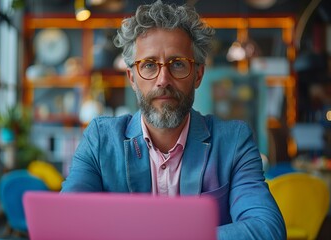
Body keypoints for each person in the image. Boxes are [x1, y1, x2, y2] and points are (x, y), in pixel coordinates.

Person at [61, 1, 286, 239]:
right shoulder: (100, 139)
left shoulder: (233, 142)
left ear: (198, 74)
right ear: (132, 78)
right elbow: (66, 224)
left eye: (177, 64)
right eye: (149, 65)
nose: (163, 80)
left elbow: (267, 230)